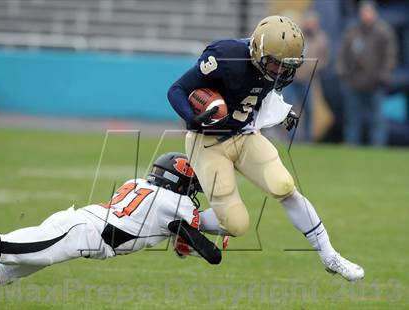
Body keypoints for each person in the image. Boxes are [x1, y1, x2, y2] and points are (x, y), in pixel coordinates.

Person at [168, 15, 364, 281]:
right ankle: (180, 224)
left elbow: (258, 93)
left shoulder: (272, 66)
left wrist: (282, 113)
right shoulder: (225, 57)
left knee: (284, 185)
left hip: (245, 135)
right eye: (276, 64)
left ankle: (329, 255)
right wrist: (192, 119)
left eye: (287, 66)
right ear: (258, 51)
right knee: (236, 225)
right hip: (208, 142)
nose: (281, 71)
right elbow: (177, 89)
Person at [0, 152, 225, 285]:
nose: (192, 193)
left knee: (3, 273)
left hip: (78, 227)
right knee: (5, 246)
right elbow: (212, 256)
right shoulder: (173, 204)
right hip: (80, 233)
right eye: (191, 187)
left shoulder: (139, 184)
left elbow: (178, 234)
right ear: (179, 183)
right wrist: (223, 229)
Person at [337, 0, 397, 146]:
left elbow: (390, 55)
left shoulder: (384, 31)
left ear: (375, 13)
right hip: (354, 82)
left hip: (375, 83)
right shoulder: (352, 31)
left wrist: (385, 74)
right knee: (353, 119)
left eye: (369, 12)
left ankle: (378, 147)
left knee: (376, 119)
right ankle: (352, 147)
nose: (366, 15)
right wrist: (342, 71)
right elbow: (342, 54)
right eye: (364, 12)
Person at [284, 10, 329, 142]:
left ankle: (308, 139)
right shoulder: (296, 36)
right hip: (292, 80)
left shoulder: (321, 39)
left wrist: (315, 68)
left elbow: (324, 59)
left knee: (309, 109)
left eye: (313, 22)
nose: (310, 25)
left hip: (308, 81)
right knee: (290, 109)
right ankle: (290, 137)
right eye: (308, 22)